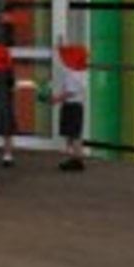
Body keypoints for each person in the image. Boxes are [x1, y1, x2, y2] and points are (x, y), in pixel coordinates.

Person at [53, 43, 89, 172]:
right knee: (74, 133)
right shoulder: (81, 71)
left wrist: (56, 99)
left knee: (72, 133)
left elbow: (70, 91)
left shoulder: (73, 74)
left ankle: (76, 158)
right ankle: (74, 157)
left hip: (71, 105)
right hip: (78, 105)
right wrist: (60, 48)